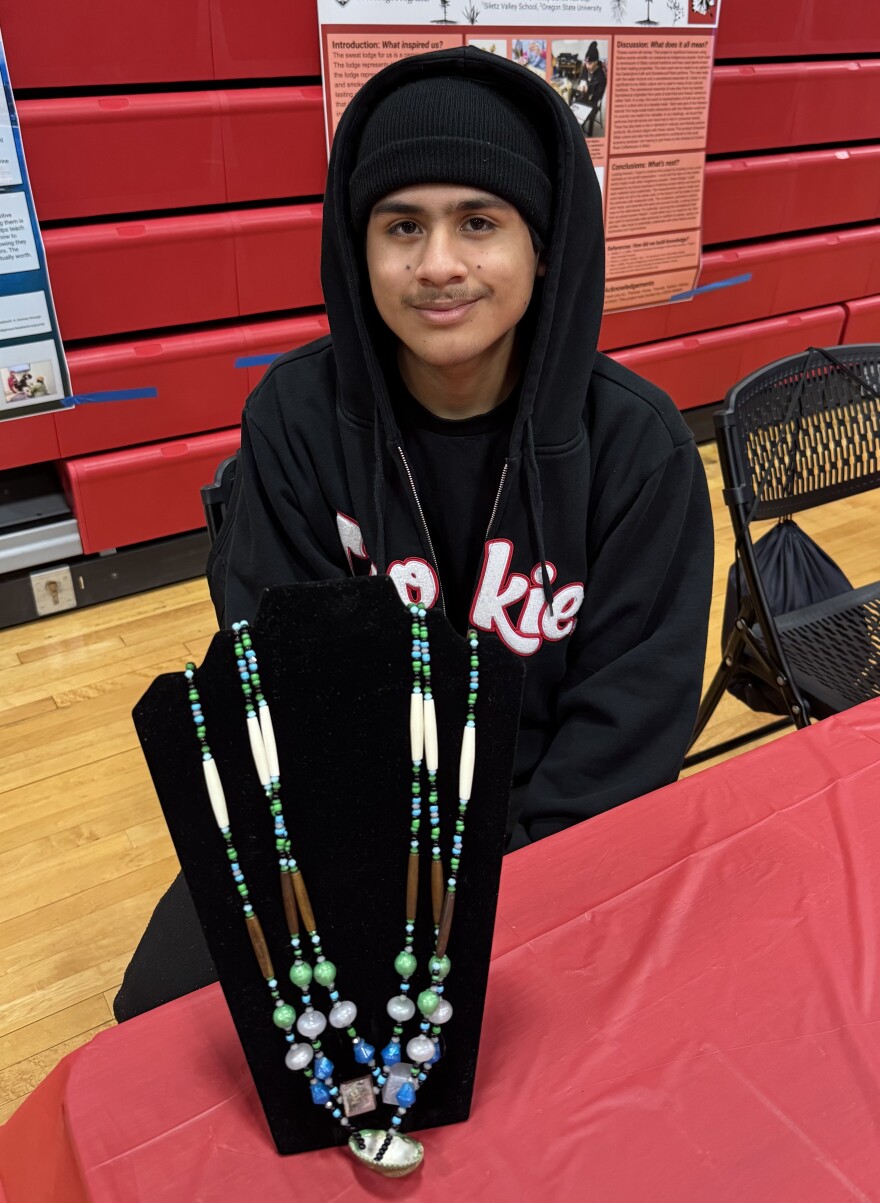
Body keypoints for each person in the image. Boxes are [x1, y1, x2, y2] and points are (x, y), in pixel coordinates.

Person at [114, 47, 713, 1020]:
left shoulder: (637, 449)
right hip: (341, 823)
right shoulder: (294, 421)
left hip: (555, 835)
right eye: (402, 226)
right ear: (358, 250)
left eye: (479, 222)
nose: (438, 265)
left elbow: (630, 725)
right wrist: (400, 903)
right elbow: (285, 693)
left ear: (542, 245)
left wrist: (504, 898)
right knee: (158, 1026)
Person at [577, 41, 607, 137]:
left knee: (586, 113)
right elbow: (581, 79)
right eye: (586, 63)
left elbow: (598, 96)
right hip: (584, 96)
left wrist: (588, 89)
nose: (587, 66)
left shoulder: (601, 77)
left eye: (589, 63)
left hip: (593, 101)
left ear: (596, 62)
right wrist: (582, 82)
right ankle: (577, 128)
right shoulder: (586, 67)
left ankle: (589, 134)